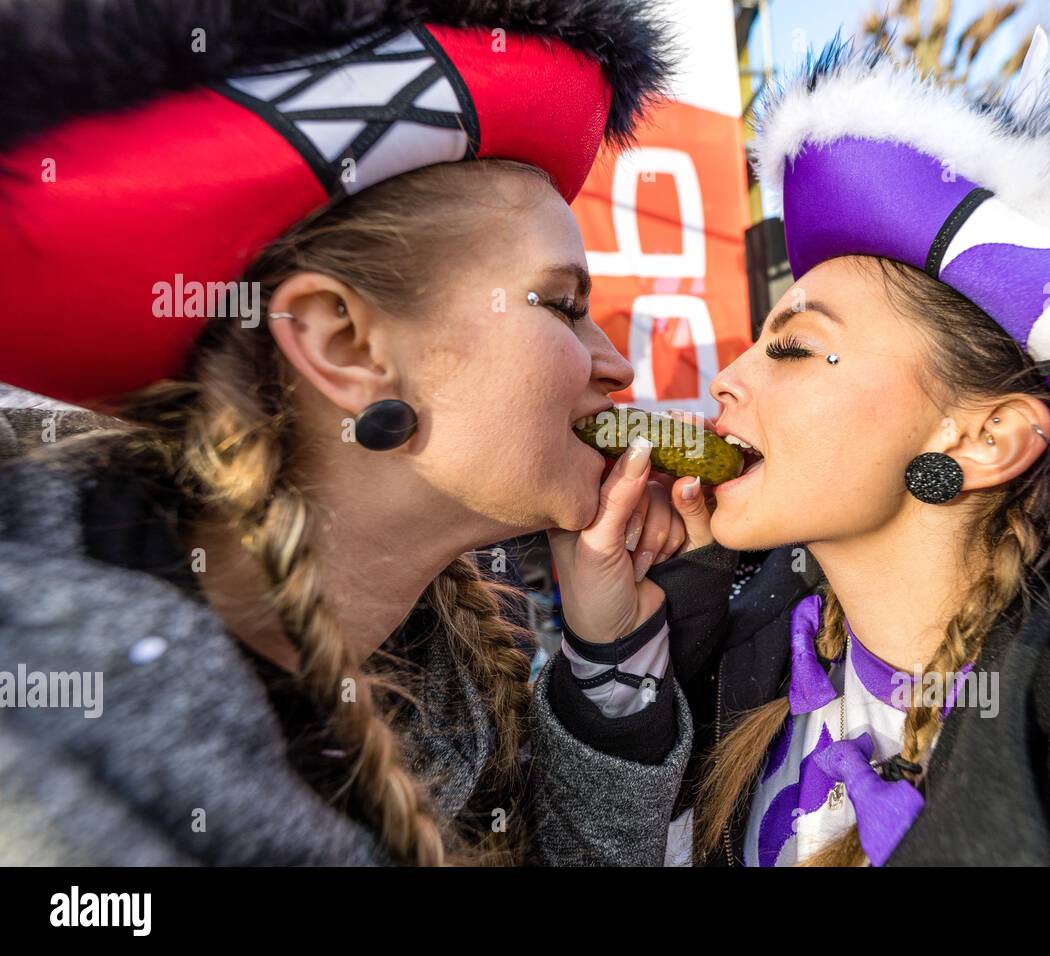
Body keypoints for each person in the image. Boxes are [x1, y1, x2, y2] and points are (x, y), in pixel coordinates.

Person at [552, 30, 1050, 866]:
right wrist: (614, 642)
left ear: (984, 439)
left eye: (794, 349)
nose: (725, 378)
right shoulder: (741, 647)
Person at [0, 0, 699, 867]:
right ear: (343, 344)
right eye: (560, 305)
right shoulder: (41, 765)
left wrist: (608, 651)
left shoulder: (438, 665)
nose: (616, 367)